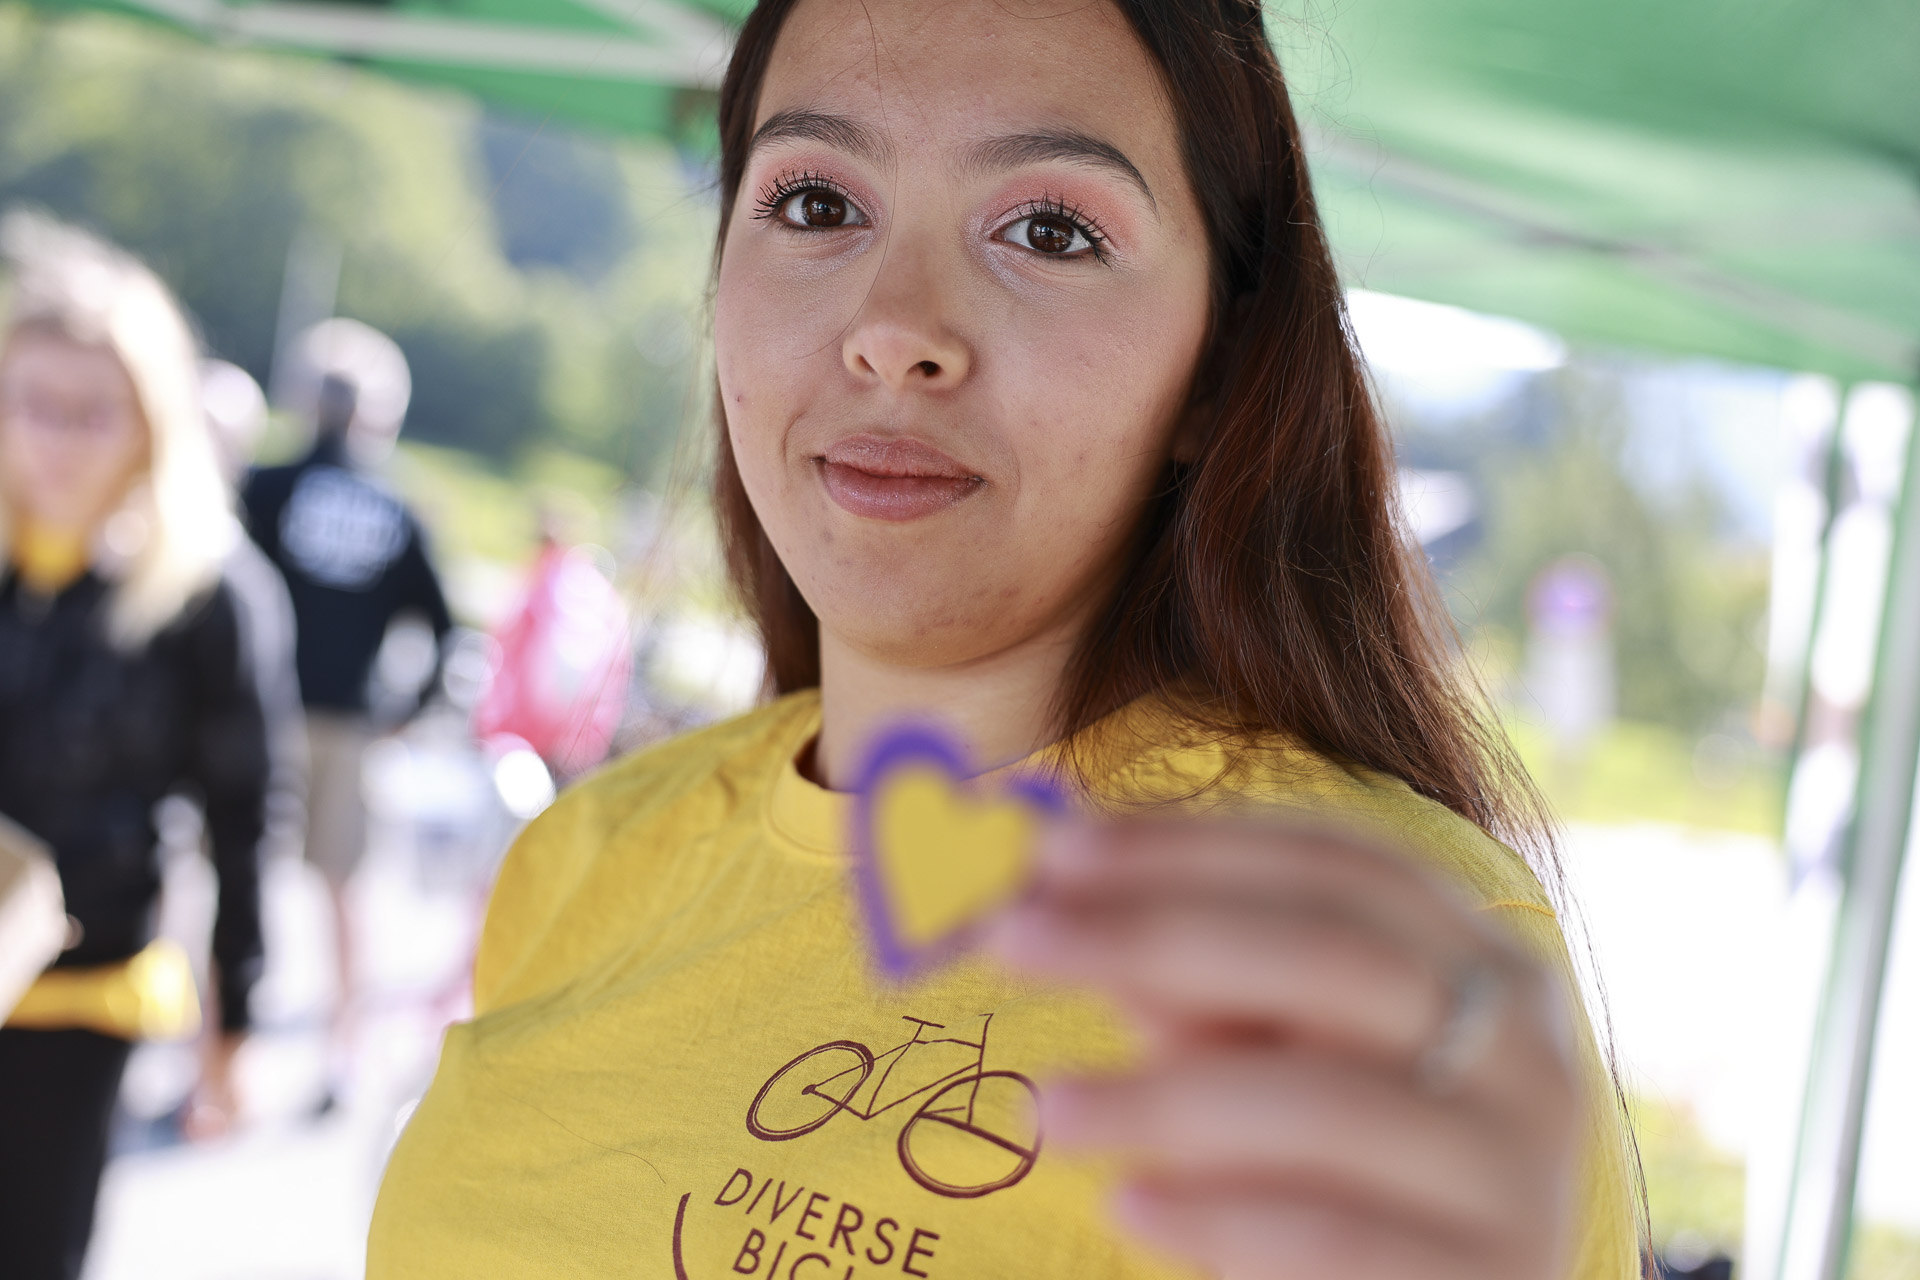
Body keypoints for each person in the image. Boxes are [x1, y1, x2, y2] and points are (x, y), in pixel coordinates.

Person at [368, 2, 1641, 1277]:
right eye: (816, 203)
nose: (894, 330)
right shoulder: (584, 860)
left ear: (1219, 363)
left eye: (1049, 230)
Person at [0, 211, 288, 1279]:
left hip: (81, 995)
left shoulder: (208, 592)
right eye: (33, 403)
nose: (57, 438)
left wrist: (234, 1026)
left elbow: (247, 818)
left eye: (94, 411)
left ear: (150, 422)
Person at [240, 318, 452, 1103]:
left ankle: (219, 1050)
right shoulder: (398, 506)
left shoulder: (264, 488)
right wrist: (405, 708)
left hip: (261, 714)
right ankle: (341, 1050)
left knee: (238, 876)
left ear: (307, 400)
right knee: (343, 888)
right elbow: (445, 627)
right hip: (351, 724)